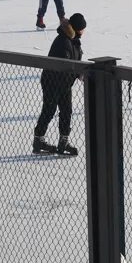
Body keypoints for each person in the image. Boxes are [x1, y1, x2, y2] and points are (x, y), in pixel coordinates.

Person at [32, 13, 87, 156]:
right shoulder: (63, 41)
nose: (84, 31)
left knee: (66, 111)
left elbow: (74, 62)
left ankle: (63, 142)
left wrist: (79, 73)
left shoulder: (73, 40)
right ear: (77, 28)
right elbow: (65, 65)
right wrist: (77, 73)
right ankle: (38, 140)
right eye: (82, 28)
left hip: (65, 83)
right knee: (49, 110)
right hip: (52, 81)